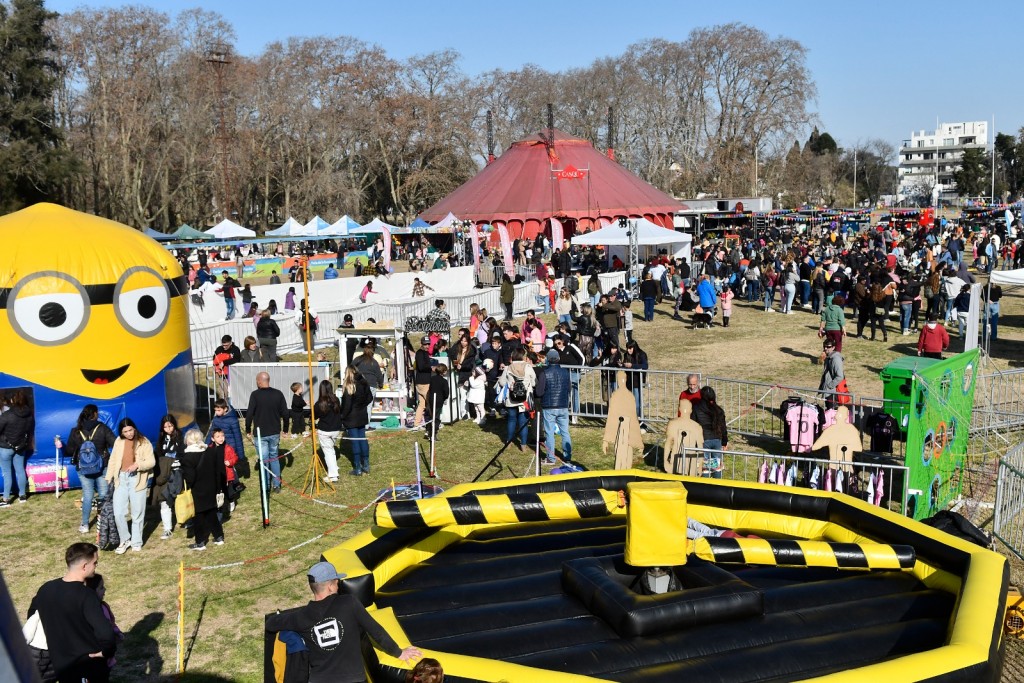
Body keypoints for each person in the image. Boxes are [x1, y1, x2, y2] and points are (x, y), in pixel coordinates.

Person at [265, 561, 422, 683]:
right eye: (336, 581)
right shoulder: (349, 603)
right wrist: (399, 652)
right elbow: (375, 630)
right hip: (352, 679)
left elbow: (271, 623)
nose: (338, 584)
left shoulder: (301, 617)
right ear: (330, 586)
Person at [28, 543, 116, 683]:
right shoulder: (86, 595)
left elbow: (32, 615)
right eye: (95, 563)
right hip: (87, 666)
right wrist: (106, 651)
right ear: (84, 566)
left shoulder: (45, 589)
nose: (96, 566)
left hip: (61, 666)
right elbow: (106, 633)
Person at [57, 405, 116, 531]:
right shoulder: (103, 428)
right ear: (95, 414)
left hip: (83, 467)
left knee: (88, 495)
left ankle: (84, 524)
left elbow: (69, 451)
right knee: (104, 494)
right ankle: (104, 523)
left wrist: (61, 446)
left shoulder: (76, 431)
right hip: (102, 466)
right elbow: (115, 443)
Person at [104, 418, 155, 554]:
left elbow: (151, 461)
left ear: (135, 428)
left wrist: (138, 465)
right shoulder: (118, 441)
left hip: (137, 480)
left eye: (130, 430)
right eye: (125, 431)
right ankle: (125, 539)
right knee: (118, 512)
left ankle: (137, 541)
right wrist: (109, 476)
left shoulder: (144, 442)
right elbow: (113, 459)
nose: (129, 434)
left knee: (137, 513)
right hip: (121, 479)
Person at [180, 429, 226, 551]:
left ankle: (200, 542)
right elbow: (217, 471)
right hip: (211, 487)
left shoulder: (188, 456)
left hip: (198, 490)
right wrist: (218, 488)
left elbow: (190, 477)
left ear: (188, 441)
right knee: (211, 513)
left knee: (198, 517)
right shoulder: (210, 451)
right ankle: (219, 537)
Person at [245, 372, 289, 493]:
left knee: (264, 460)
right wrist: (285, 429)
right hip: (274, 432)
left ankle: (266, 485)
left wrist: (247, 429)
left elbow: (249, 414)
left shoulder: (255, 395)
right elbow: (285, 413)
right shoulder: (278, 394)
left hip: (261, 434)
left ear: (259, 381)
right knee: (274, 457)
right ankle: (276, 484)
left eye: (256, 381)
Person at [151, 414, 184, 540]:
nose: (168, 429)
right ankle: (167, 528)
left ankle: (185, 518)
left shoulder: (180, 436)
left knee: (178, 497)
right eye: (165, 427)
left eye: (170, 426)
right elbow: (159, 454)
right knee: (163, 500)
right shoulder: (161, 439)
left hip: (177, 472)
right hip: (164, 473)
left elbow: (182, 453)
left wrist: (176, 462)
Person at [538, 349, 572, 465]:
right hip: (562, 405)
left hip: (549, 406)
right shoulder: (566, 372)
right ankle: (567, 457)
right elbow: (569, 389)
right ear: (558, 359)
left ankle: (551, 458)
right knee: (565, 432)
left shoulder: (544, 373)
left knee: (549, 433)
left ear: (547, 359)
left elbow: (539, 391)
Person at [0, 388, 34, 506]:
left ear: (12, 400)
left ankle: (6, 499)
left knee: (7, 472)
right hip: (21, 447)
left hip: (5, 447)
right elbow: (30, 431)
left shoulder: (7, 415)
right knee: (20, 470)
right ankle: (22, 495)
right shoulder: (29, 415)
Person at [498, 348, 536, 451]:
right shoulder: (528, 367)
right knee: (523, 421)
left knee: (511, 420)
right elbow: (534, 382)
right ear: (523, 356)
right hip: (524, 399)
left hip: (511, 397)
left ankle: (509, 442)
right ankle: (523, 444)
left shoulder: (508, 367)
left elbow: (501, 382)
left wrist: (509, 384)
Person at [339, 367, 373, 475]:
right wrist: (361, 407)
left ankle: (358, 467)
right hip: (361, 415)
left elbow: (347, 405)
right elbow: (370, 398)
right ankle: (366, 465)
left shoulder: (350, 385)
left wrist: (342, 416)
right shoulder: (363, 382)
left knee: (355, 442)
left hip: (351, 417)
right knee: (362, 439)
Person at [207, 398, 248, 479]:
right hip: (219, 445)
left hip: (230, 447)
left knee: (229, 466)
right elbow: (210, 434)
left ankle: (234, 482)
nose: (216, 412)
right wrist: (206, 445)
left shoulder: (233, 421)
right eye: (215, 410)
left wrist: (241, 455)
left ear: (225, 409)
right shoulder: (215, 420)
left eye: (218, 410)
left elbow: (238, 437)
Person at [692, 386, 728, 478]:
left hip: (704, 440)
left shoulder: (696, 408)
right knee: (716, 464)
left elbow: (693, 425)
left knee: (705, 466)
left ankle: (706, 486)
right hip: (717, 439)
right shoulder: (719, 410)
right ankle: (716, 485)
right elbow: (723, 427)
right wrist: (724, 441)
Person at [315, 380, 343, 483]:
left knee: (328, 452)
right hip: (336, 429)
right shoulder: (336, 400)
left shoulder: (319, 404)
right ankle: (334, 468)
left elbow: (314, 415)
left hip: (325, 431)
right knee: (331, 450)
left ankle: (333, 475)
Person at [352, 339, 385, 424]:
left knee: (359, 405)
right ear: (373, 352)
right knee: (368, 406)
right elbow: (379, 375)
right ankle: (366, 425)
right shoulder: (374, 362)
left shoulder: (357, 360)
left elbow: (350, 369)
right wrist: (381, 385)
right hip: (371, 385)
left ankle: (358, 422)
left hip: (358, 385)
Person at [623, 340, 649, 419]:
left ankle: (639, 419)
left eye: (630, 348)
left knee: (637, 403)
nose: (628, 350)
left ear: (634, 347)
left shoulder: (642, 354)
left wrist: (632, 365)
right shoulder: (626, 355)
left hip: (637, 382)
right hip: (629, 382)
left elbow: (645, 366)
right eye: (627, 348)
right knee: (630, 402)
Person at [212, 335, 241, 403]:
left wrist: (224, 362)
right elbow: (214, 358)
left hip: (233, 373)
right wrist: (216, 367)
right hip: (221, 374)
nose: (224, 347)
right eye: (223, 345)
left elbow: (236, 359)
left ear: (231, 343)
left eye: (226, 345)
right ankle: (223, 405)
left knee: (233, 390)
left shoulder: (235, 349)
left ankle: (234, 404)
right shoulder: (219, 349)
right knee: (223, 391)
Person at [819, 338, 845, 409]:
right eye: (824, 346)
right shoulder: (829, 357)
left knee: (832, 413)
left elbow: (840, 376)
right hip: (829, 391)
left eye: (828, 346)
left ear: (833, 347)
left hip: (833, 392)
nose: (825, 348)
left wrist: (829, 386)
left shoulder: (835, 359)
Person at [426, 364, 450, 438]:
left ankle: (428, 431)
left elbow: (430, 389)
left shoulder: (432, 379)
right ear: (443, 372)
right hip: (438, 401)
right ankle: (433, 434)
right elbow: (446, 392)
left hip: (431, 399)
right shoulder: (444, 381)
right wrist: (444, 398)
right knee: (436, 417)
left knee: (431, 415)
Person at [413, 336, 433, 428]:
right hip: (424, 382)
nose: (427, 346)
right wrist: (431, 368)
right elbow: (421, 367)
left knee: (422, 404)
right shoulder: (421, 353)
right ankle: (434, 422)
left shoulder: (423, 353)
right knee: (431, 402)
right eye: (425, 344)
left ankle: (416, 423)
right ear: (421, 344)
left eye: (428, 344)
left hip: (420, 382)